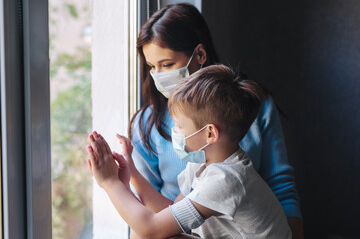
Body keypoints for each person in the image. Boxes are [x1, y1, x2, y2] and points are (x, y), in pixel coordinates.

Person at [128, 2, 303, 238]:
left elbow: (280, 183)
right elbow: (159, 214)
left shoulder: (250, 108)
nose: (159, 76)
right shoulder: (148, 126)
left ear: (199, 54)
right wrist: (125, 171)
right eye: (152, 66)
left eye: (167, 64)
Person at [86, 65, 292, 238]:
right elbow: (168, 211)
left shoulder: (227, 180)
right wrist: (131, 175)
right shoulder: (205, 161)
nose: (174, 132)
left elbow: (151, 229)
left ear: (210, 133)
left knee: (144, 234)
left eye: (179, 126)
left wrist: (109, 183)